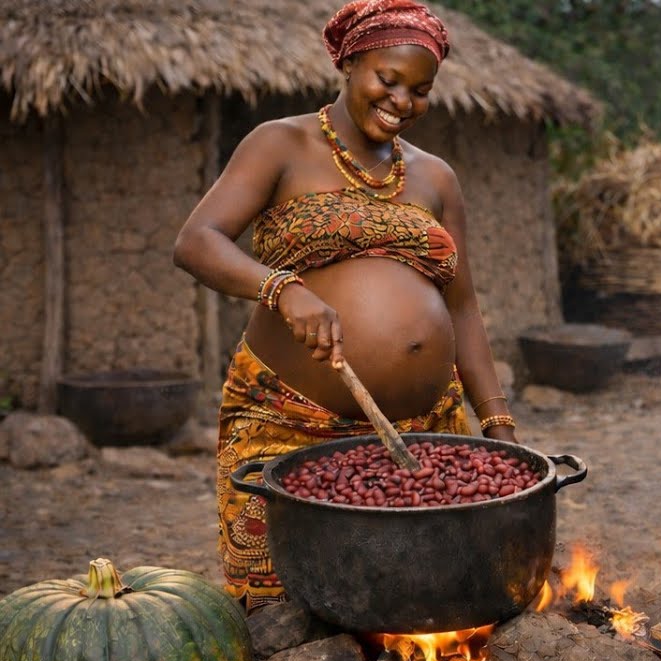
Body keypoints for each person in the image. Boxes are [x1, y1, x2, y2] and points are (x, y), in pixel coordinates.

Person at [174, 0, 517, 612]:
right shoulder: (281, 143)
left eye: (421, 90)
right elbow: (196, 242)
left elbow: (462, 309)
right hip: (291, 425)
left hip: (425, 436)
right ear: (351, 62)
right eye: (387, 80)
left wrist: (497, 425)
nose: (402, 102)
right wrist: (282, 287)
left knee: (421, 610)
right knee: (295, 613)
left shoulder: (437, 178)